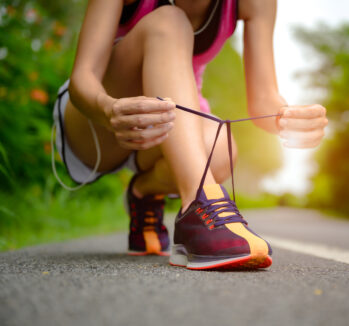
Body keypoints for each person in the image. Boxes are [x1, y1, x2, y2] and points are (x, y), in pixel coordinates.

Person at [53, 0, 328, 270]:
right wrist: (108, 110)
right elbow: (82, 76)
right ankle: (200, 206)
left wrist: (288, 116)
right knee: (169, 21)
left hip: (168, 126)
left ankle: (143, 193)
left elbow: (264, 99)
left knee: (221, 151)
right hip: (98, 120)